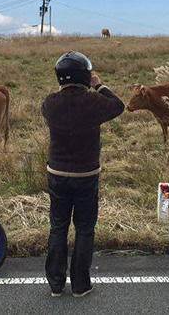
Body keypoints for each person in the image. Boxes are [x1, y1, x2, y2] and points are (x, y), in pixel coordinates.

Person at [41, 51, 125, 298]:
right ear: (86, 76)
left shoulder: (49, 103)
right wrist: (99, 86)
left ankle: (56, 284)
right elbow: (118, 106)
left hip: (56, 173)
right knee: (85, 229)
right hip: (86, 175)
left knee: (57, 226)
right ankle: (80, 285)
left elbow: (49, 112)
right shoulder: (94, 102)